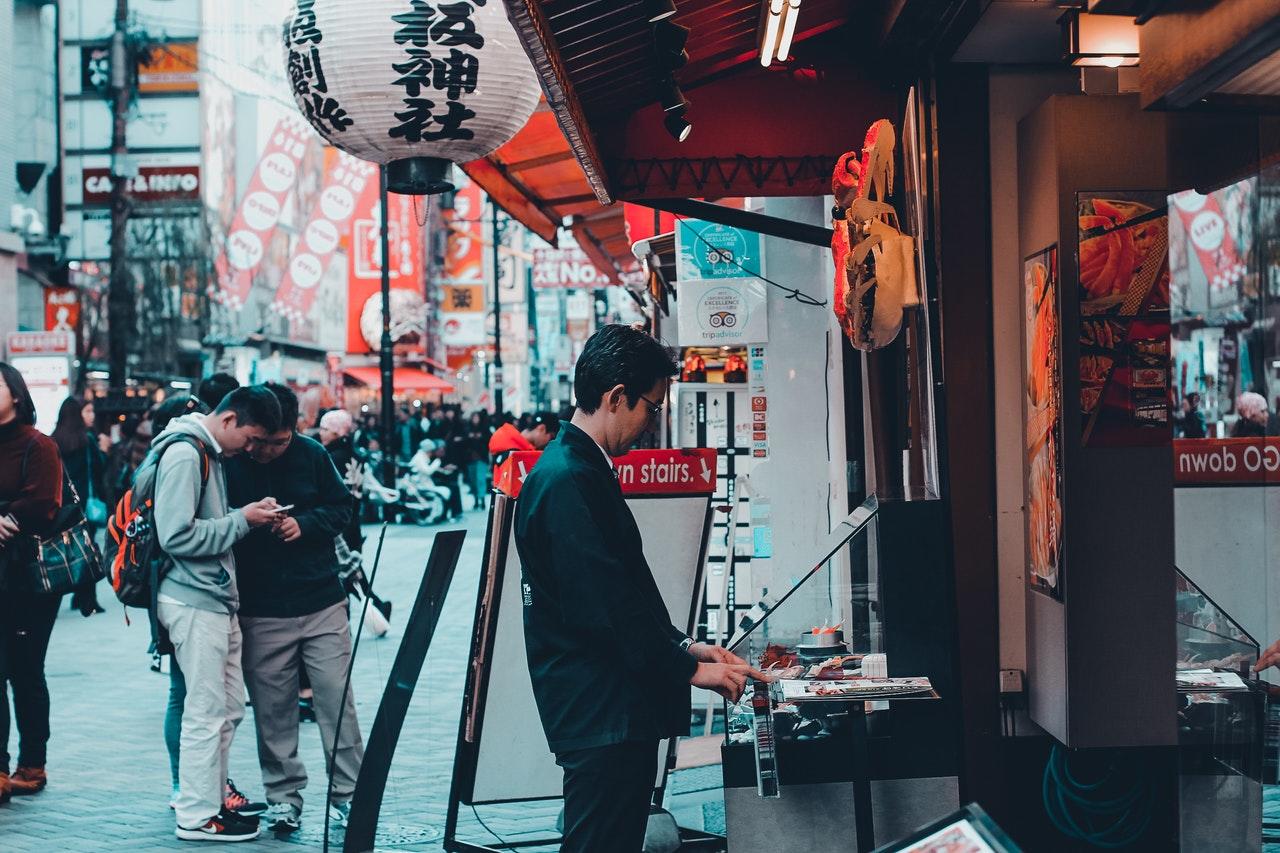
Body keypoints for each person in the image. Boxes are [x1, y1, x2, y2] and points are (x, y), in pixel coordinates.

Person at [514, 326, 768, 852]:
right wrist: (690, 667)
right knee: (600, 842)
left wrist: (685, 646)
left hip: (608, 702)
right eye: (651, 407)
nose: (652, 423)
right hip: (599, 706)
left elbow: (624, 592)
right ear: (615, 398)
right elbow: (604, 605)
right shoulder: (567, 478)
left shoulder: (579, 468)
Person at [226, 384, 365, 835]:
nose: (267, 451)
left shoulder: (310, 454)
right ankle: (283, 797)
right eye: (260, 441)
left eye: (278, 441)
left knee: (336, 700)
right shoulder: (232, 461)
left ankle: (349, 794)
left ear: (294, 430)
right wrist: (247, 520)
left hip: (321, 599)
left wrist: (303, 525)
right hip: (261, 606)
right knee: (273, 710)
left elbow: (342, 507)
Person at [154, 385, 285, 843]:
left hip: (212, 598)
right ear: (228, 420)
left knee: (226, 708)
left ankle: (211, 804)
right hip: (193, 598)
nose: (251, 449)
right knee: (207, 711)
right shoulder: (187, 454)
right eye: (250, 437)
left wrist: (241, 516)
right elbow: (175, 535)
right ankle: (195, 815)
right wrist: (241, 521)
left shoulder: (207, 453)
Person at [0, 363, 65, 803]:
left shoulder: (38, 446)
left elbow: (43, 504)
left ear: (16, 395)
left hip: (28, 579)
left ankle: (32, 762)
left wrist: (8, 514)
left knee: (24, 669)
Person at [51, 396, 108, 615]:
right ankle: (87, 599)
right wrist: (104, 451)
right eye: (88, 412)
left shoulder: (53, 440)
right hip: (82, 504)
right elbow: (97, 468)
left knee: (61, 549)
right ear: (77, 415)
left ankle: (64, 592)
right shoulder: (87, 441)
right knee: (86, 550)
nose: (92, 416)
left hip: (60, 505)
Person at [488, 411, 561, 465]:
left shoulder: (507, 443)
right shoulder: (517, 454)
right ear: (541, 428)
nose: (550, 442)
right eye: (551, 437)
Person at [464, 411, 492, 510]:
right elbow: (464, 442)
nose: (475, 419)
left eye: (477, 417)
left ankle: (482, 500)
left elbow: (489, 442)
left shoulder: (485, 429)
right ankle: (476, 500)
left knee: (481, 479)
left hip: (481, 458)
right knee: (473, 481)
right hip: (470, 458)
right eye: (474, 417)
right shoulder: (467, 429)